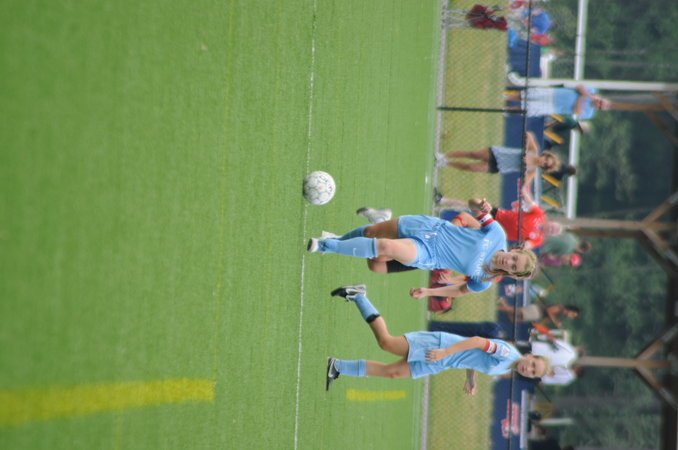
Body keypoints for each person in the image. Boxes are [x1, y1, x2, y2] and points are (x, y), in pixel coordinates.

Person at [325, 284, 551, 392]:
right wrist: (445, 351)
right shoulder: (508, 354)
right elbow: (477, 341)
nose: (528, 369)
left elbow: (474, 356)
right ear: (530, 356)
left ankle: (337, 367)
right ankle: (359, 296)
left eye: (532, 372)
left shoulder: (507, 367)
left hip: (441, 361)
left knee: (393, 373)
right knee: (386, 343)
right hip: (440, 348)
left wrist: (470, 379)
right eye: (533, 365)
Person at [307, 198, 539, 297]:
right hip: (430, 227)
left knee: (384, 246)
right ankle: (342, 238)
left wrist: (429, 292)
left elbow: (460, 291)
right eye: (514, 258)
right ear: (515, 251)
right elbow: (472, 206)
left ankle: (326, 245)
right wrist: (480, 204)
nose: (509, 262)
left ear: (512, 274)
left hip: (429, 254)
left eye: (513, 267)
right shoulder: (497, 234)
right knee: (371, 233)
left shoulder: (485, 280)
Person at [437, 131, 561, 175]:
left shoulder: (532, 171)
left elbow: (525, 184)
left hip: (500, 166)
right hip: (498, 154)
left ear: (544, 167)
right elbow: (529, 134)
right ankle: (444, 156)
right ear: (545, 155)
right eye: (546, 159)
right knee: (473, 154)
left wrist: (524, 170)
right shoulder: (534, 151)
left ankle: (446, 163)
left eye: (546, 164)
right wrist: (526, 149)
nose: (544, 161)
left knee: (470, 167)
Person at [506, 85, 610, 119]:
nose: (598, 104)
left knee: (529, 109)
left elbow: (577, 111)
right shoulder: (592, 91)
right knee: (529, 94)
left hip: (554, 107)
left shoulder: (589, 113)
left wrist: (581, 97)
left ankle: (506, 110)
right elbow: (580, 87)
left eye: (600, 106)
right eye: (600, 102)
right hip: (555, 93)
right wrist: (589, 95)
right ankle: (506, 97)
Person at [497, 298, 580, 327]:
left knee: (512, 319)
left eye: (573, 316)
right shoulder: (561, 308)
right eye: (572, 314)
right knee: (512, 311)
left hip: (537, 315)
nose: (571, 316)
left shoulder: (561, 313)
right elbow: (549, 310)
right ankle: (498, 306)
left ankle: (502, 302)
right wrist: (555, 322)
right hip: (536, 311)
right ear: (571, 310)